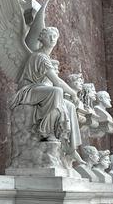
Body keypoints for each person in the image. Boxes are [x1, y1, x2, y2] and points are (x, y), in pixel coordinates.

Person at [11, 27, 84, 158]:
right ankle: (45, 131)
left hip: (40, 91)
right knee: (56, 92)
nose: (52, 39)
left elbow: (57, 81)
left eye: (55, 36)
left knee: (70, 106)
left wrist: (72, 95)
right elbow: (57, 82)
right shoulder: (40, 57)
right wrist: (73, 93)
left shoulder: (47, 58)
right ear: (42, 38)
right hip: (28, 90)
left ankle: (71, 148)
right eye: (49, 36)